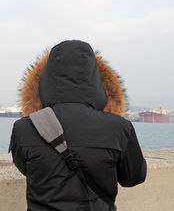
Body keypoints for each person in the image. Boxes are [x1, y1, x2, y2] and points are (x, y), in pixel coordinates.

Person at [9, 40, 146, 211]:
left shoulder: (25, 127)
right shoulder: (119, 127)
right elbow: (133, 177)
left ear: (46, 78)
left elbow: (27, 169)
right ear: (96, 78)